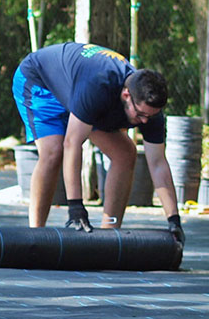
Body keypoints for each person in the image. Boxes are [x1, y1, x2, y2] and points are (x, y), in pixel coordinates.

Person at [11, 42, 184, 241]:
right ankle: (36, 235)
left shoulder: (150, 112)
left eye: (150, 116)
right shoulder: (98, 87)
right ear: (126, 95)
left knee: (125, 153)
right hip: (41, 81)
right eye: (140, 115)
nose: (145, 121)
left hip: (78, 91)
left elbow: (158, 163)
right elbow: (72, 143)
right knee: (53, 152)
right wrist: (75, 207)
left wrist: (174, 220)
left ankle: (110, 233)